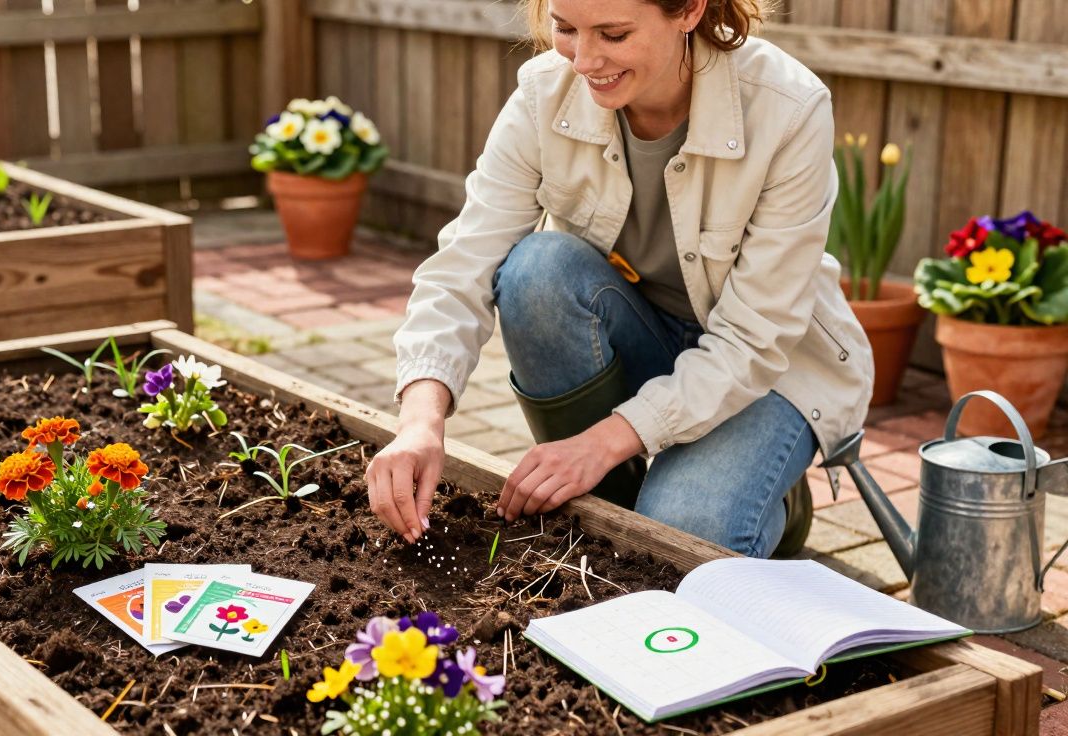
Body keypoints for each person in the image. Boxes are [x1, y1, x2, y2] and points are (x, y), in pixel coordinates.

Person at [365, 0, 872, 558]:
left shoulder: (787, 108)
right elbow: (465, 262)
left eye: (613, 33)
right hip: (645, 332)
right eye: (565, 29)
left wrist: (599, 443)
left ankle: (771, 496)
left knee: (680, 535)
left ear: (689, 11)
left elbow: (756, 339)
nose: (583, 60)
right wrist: (420, 422)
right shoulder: (543, 94)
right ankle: (611, 505)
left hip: (770, 370)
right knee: (538, 270)